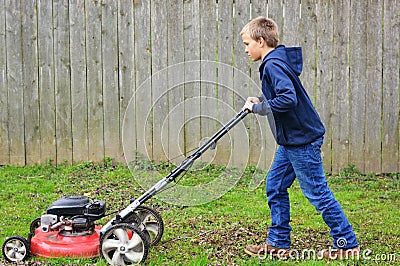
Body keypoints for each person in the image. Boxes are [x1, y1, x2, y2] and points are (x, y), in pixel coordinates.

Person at [240, 16, 360, 259]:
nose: (246, 50)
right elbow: (283, 97)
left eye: (247, 44)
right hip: (292, 141)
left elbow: (287, 99)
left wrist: (259, 109)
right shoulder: (276, 61)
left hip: (302, 141)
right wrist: (261, 101)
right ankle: (279, 241)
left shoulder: (273, 64)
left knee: (318, 193)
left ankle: (348, 246)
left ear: (261, 41)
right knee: (275, 186)